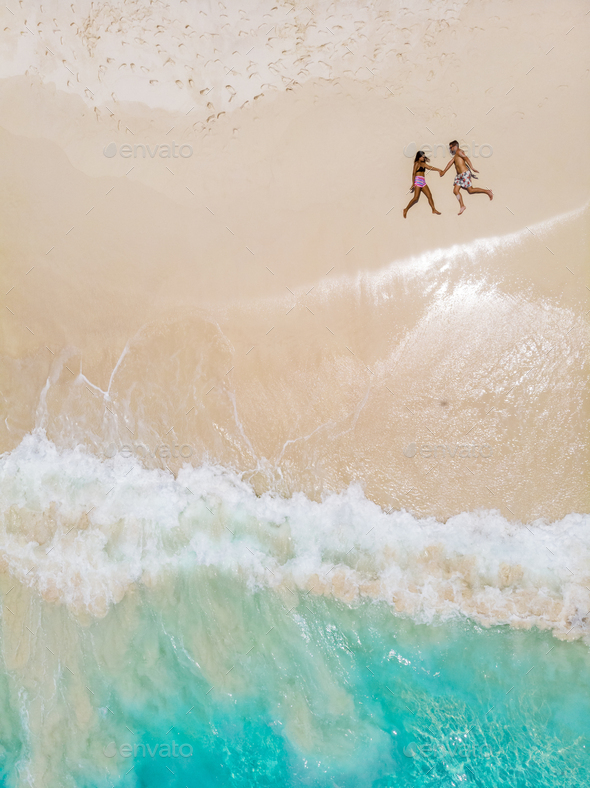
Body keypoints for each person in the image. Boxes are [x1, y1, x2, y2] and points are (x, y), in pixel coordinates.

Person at [440, 140, 493, 215]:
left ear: (455, 146)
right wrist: (444, 171)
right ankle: (462, 205)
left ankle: (487, 191)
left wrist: (472, 168)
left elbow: (466, 158)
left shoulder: (459, 152)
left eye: (451, 147)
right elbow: (450, 163)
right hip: (459, 176)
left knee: (470, 190)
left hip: (464, 174)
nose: (450, 149)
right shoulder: (455, 155)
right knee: (455, 191)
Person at [403, 151, 443, 218]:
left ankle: (433, 209)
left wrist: (438, 169)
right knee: (415, 198)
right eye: (423, 156)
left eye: (424, 156)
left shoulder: (423, 164)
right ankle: (406, 209)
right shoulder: (416, 163)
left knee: (429, 195)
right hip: (418, 181)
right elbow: (413, 173)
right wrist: (413, 183)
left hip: (423, 181)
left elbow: (430, 167)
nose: (424, 158)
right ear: (419, 157)